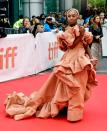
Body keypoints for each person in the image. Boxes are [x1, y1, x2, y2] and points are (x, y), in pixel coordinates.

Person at [5, 8, 97, 122]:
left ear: (78, 17)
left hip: (82, 61)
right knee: (68, 86)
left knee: (80, 85)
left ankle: (73, 111)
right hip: (69, 60)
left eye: (74, 16)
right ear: (67, 18)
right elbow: (72, 45)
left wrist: (91, 57)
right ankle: (72, 113)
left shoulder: (83, 30)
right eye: (69, 16)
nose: (72, 17)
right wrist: (80, 35)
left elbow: (85, 45)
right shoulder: (66, 31)